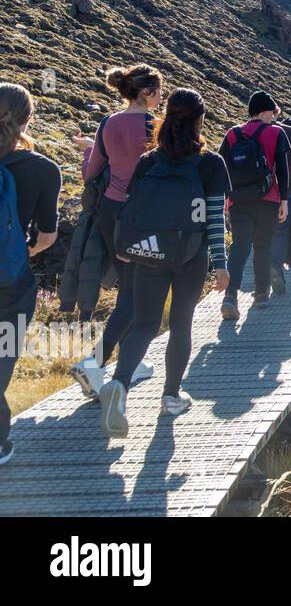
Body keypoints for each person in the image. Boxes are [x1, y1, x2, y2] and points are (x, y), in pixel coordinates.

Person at [97, 88, 231, 438]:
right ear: (201, 120)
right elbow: (214, 219)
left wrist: (125, 247)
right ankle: (171, 396)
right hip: (190, 255)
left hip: (146, 251)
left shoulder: (149, 161)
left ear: (167, 116)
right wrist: (221, 263)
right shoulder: (210, 163)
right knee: (181, 323)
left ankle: (120, 384)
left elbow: (131, 209)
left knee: (143, 324)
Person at [70, 64, 164, 399]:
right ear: (146, 93)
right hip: (144, 213)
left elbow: (92, 170)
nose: (162, 96)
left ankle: (130, 362)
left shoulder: (108, 122)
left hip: (111, 210)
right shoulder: (157, 125)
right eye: (159, 90)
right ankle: (96, 362)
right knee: (137, 292)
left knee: (129, 283)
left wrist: (87, 150)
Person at [0, 83, 61, 466]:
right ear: (28, 119)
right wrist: (17, 253)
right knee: (3, 354)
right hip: (11, 283)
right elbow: (47, 235)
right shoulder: (43, 169)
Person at [218, 91, 291, 321]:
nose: (274, 116)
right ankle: (261, 294)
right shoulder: (276, 133)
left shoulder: (232, 133)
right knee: (263, 246)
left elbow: (222, 168)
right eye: (273, 112)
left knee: (239, 247)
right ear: (265, 111)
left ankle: (230, 296)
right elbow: (282, 170)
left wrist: (227, 199)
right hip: (268, 199)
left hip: (239, 200)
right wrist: (284, 201)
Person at [269, 106, 291, 296]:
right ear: (277, 112)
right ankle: (275, 266)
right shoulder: (290, 132)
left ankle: (257, 289)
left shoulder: (244, 131)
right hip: (285, 189)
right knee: (281, 233)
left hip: (256, 192)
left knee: (259, 236)